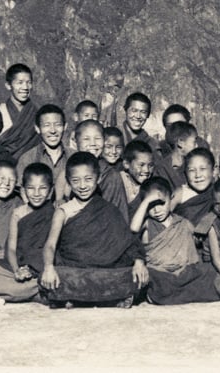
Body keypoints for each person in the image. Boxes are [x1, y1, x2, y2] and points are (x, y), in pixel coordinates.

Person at [39, 153, 149, 307]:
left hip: (106, 269)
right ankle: (112, 297)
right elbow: (50, 245)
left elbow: (128, 241)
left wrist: (138, 263)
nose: (82, 186)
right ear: (68, 183)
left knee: (134, 275)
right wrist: (49, 268)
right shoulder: (63, 211)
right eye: (76, 181)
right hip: (75, 268)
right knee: (54, 276)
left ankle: (75, 298)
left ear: (98, 179)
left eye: (88, 179)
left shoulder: (108, 209)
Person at [129, 177, 220, 305]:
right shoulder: (147, 223)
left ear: (171, 198)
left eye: (161, 203)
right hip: (160, 273)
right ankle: (171, 294)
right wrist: (146, 201)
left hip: (183, 272)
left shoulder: (182, 222)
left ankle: (168, 295)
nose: (157, 210)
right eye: (151, 206)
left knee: (208, 272)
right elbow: (133, 228)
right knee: (150, 278)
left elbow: (196, 242)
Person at [0, 163, 55, 303]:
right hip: (19, 264)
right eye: (31, 188)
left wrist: (32, 268)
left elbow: (51, 248)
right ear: (24, 190)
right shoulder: (18, 213)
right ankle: (38, 292)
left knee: (56, 272)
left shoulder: (54, 213)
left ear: (51, 190)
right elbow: (11, 249)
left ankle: (8, 292)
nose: (36, 194)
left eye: (43, 188)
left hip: (41, 266)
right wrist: (16, 271)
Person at [75, 119, 127, 218]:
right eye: (86, 139)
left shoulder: (111, 176)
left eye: (97, 138)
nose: (93, 144)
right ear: (75, 141)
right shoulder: (71, 166)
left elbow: (117, 215)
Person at [15, 104, 69, 201]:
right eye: (46, 125)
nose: (53, 130)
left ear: (65, 126)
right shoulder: (27, 158)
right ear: (37, 128)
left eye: (58, 125)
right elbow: (23, 192)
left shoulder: (74, 156)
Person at [0, 63, 40, 159]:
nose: (25, 87)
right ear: (8, 85)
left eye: (29, 82)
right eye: (20, 83)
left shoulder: (37, 114)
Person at [173, 148, 217, 225]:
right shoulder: (180, 193)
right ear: (185, 173)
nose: (198, 175)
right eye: (192, 170)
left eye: (202, 169)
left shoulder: (218, 191)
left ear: (213, 171)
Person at [153, 121, 195, 189]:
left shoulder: (191, 164)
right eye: (194, 142)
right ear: (181, 142)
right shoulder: (161, 169)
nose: (197, 145)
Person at [120, 141, 155, 217]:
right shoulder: (118, 180)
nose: (146, 170)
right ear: (126, 164)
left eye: (150, 165)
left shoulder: (151, 186)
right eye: (141, 165)